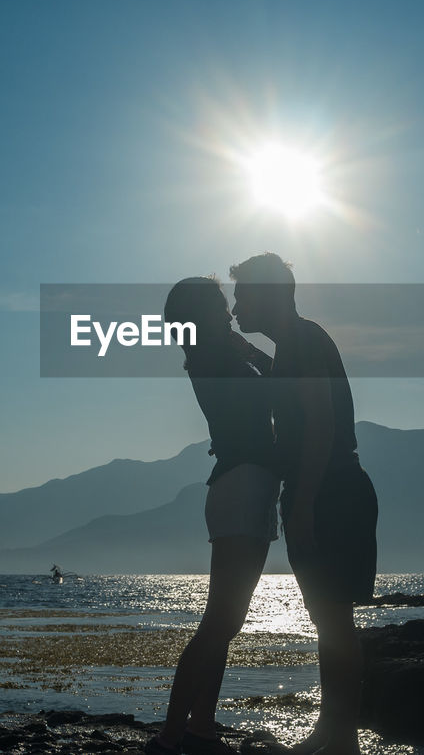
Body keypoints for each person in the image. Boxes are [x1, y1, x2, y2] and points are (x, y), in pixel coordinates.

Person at [228, 253, 378, 755]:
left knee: (333, 620)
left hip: (330, 491)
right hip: (329, 489)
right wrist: (253, 358)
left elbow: (320, 423)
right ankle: (334, 734)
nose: (233, 306)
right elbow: (296, 392)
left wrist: (305, 503)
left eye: (241, 294)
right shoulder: (297, 344)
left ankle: (342, 739)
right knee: (328, 617)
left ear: (267, 295)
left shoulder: (304, 341)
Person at [146, 276, 279, 755]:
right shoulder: (220, 358)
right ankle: (170, 736)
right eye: (222, 306)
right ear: (203, 315)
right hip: (243, 485)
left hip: (245, 484)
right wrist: (254, 353)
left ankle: (199, 725)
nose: (229, 313)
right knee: (220, 621)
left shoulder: (212, 357)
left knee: (226, 621)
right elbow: (281, 390)